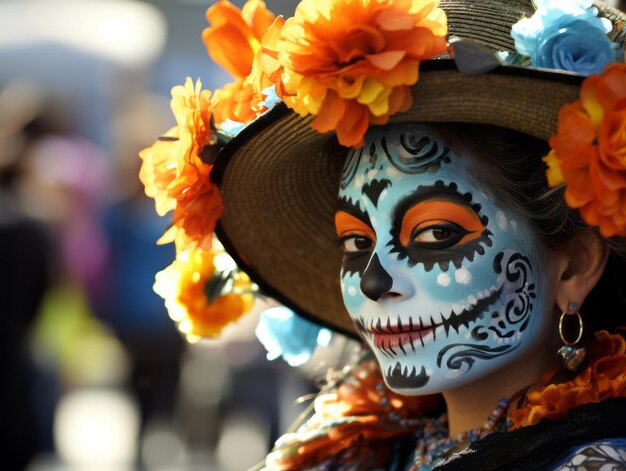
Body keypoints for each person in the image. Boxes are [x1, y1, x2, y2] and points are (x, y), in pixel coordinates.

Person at [139, 0, 626, 468]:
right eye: (356, 243)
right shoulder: (353, 451)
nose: (374, 281)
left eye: (435, 233)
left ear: (576, 265)